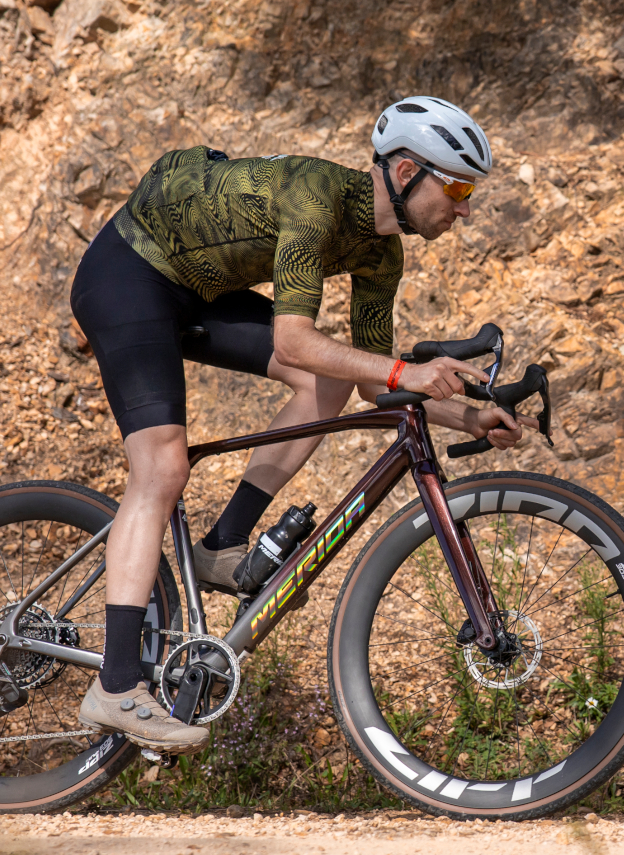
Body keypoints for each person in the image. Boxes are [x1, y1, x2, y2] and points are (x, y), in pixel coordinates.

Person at [68, 97, 532, 751]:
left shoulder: (381, 256)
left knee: (331, 378)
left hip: (194, 284)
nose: (464, 207)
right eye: (456, 187)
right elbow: (293, 342)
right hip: (130, 271)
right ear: (405, 174)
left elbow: (375, 384)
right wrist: (409, 373)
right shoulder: (316, 196)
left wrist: (473, 416)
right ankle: (116, 687)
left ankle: (220, 546)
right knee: (163, 466)